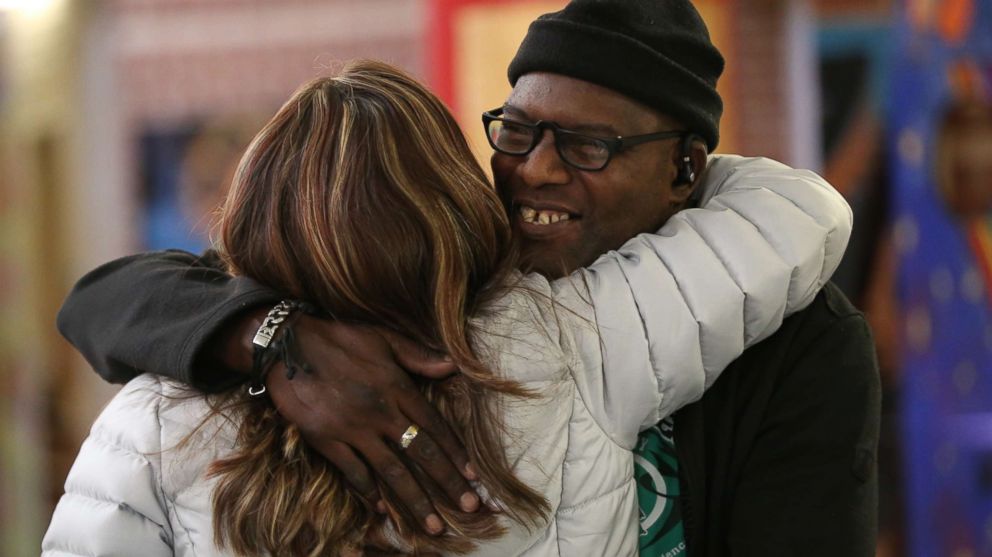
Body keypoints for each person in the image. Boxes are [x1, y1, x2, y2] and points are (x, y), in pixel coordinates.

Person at [51, 1, 880, 555]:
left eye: (589, 145)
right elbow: (105, 296)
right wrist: (272, 338)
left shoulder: (788, 341)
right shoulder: (545, 332)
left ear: (686, 168)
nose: (536, 171)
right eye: (516, 132)